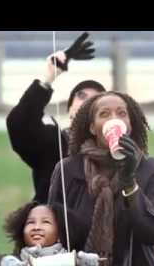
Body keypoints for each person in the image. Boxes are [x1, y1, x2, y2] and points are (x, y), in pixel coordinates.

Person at [48, 91, 154, 266]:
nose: (114, 118)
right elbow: (53, 230)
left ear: (129, 124)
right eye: (104, 114)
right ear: (92, 127)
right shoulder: (67, 169)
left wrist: (129, 182)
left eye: (122, 113)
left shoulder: (151, 169)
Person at [6, 32, 106, 203]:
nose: (87, 102)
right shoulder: (54, 142)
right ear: (70, 108)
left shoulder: (113, 150)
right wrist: (49, 77)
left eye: (95, 100)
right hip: (52, 226)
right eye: (81, 96)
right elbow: (19, 123)